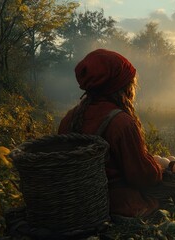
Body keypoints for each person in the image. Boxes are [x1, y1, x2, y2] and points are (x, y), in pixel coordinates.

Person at [58, 49, 163, 217]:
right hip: (116, 205)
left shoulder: (69, 118)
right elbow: (141, 176)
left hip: (78, 201)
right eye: (131, 83)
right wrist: (159, 167)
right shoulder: (121, 122)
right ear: (121, 86)